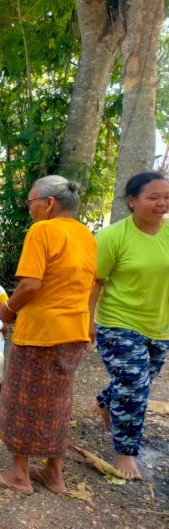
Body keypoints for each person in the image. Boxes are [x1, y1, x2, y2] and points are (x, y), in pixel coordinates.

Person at [0, 175, 96, 495]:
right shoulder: (86, 234)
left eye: (31, 203)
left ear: (49, 203)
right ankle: (54, 474)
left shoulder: (43, 230)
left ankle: (19, 474)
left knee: (23, 400)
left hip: (41, 331)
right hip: (73, 331)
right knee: (57, 402)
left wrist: (8, 310)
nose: (30, 210)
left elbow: (30, 285)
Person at [89, 171, 169, 480]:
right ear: (132, 201)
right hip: (118, 322)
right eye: (153, 197)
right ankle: (124, 454)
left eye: (166, 197)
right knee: (135, 387)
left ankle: (103, 404)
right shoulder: (112, 237)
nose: (162, 203)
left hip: (160, 326)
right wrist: (88, 321)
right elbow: (94, 282)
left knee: (137, 381)